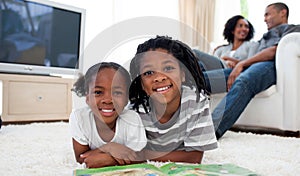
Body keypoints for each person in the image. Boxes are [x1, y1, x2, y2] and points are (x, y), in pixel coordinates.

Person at [206, 2, 300, 139]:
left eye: (268, 14)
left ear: (283, 13)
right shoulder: (264, 37)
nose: (264, 19)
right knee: (202, 79)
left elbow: (273, 50)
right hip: (251, 67)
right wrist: (238, 65)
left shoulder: (291, 30)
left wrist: (242, 64)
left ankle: (208, 132)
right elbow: (252, 60)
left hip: (269, 66)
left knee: (244, 80)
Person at [129, 36, 218, 164]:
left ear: (183, 74)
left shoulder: (196, 100)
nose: (159, 78)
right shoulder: (135, 110)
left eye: (168, 68)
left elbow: (194, 157)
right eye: (149, 72)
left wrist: (142, 155)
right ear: (142, 84)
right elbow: (126, 152)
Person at [69, 62, 147, 168]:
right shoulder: (79, 118)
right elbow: (81, 159)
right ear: (87, 97)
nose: (108, 100)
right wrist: (108, 148)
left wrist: (107, 159)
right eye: (98, 92)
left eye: (117, 93)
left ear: (126, 98)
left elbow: (140, 157)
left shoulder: (132, 119)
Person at [193, 15, 258, 71]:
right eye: (240, 26)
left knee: (195, 52)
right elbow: (212, 62)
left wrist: (227, 58)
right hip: (216, 70)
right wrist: (226, 61)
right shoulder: (221, 49)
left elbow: (250, 64)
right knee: (198, 64)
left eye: (246, 26)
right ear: (232, 30)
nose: (244, 29)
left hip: (230, 72)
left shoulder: (252, 45)